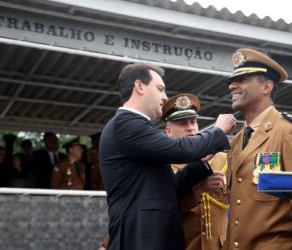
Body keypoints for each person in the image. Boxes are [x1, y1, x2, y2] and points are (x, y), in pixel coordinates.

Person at [99, 63, 236, 250]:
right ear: (139, 86)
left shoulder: (133, 126)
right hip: (142, 239)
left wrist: (199, 164)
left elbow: (165, 189)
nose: (164, 97)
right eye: (160, 89)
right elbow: (180, 149)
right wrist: (217, 131)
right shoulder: (127, 124)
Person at [223, 48, 292, 249]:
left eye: (242, 80)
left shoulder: (290, 133)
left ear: (266, 87)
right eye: (233, 81)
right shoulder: (236, 141)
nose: (232, 86)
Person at [162, 93, 228, 250]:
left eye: (193, 122)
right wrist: (196, 192)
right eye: (182, 123)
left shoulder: (222, 160)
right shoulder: (161, 166)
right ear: (168, 131)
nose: (190, 127)